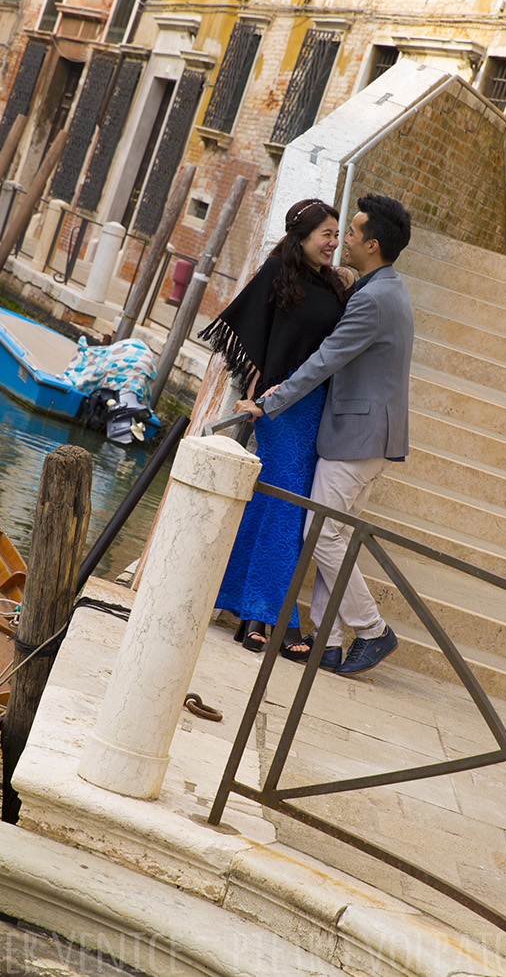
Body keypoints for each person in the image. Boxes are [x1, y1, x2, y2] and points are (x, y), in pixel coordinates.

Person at [236, 194, 414, 676]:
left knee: (323, 535)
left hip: (357, 436)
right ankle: (329, 642)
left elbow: (323, 361)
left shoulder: (373, 298)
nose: (343, 241)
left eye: (350, 233)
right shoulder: (385, 288)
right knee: (329, 533)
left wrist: (267, 403)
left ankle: (372, 630)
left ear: (372, 244)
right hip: (365, 435)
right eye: (336, 233)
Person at [201, 198, 349, 662]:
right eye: (326, 233)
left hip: (315, 410)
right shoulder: (275, 274)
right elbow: (244, 331)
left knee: (273, 505)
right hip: (280, 412)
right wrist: (256, 386)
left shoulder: (334, 284)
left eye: (336, 233)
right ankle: (278, 619)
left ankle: (248, 613)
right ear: (302, 236)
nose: (333, 241)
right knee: (286, 512)